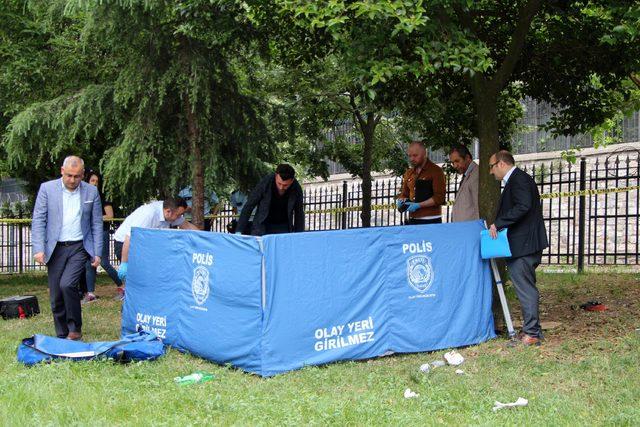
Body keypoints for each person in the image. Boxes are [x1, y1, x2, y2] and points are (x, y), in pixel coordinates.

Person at [31, 156, 103, 340]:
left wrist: (97, 252)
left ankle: (75, 329)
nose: (72, 180)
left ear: (83, 175)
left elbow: (96, 223)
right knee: (56, 294)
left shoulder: (91, 192)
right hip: (55, 248)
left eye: (77, 176)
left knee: (68, 284)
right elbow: (39, 220)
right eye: (69, 175)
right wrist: (38, 248)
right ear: (62, 171)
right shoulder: (47, 189)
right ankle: (62, 334)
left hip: (79, 246)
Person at [488, 150, 549, 346]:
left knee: (525, 288)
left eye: (491, 167)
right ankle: (532, 331)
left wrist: (499, 223)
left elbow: (523, 206)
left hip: (524, 245)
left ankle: (532, 333)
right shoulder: (518, 179)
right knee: (525, 286)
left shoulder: (519, 180)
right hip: (524, 243)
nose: (490, 172)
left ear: (501, 164)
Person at [113, 197, 198, 296]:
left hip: (144, 246)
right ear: (168, 211)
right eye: (178, 215)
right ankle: (131, 302)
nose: (179, 218)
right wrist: (124, 263)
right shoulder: (149, 214)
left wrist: (205, 238)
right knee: (138, 280)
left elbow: (187, 226)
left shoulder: (170, 211)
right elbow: (129, 237)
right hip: (125, 244)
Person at [80, 170, 123, 303]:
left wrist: (94, 217)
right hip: (88, 233)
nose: (95, 184)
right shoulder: (83, 196)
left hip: (101, 232)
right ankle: (91, 293)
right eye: (92, 180)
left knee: (103, 262)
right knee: (89, 263)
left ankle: (122, 286)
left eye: (97, 182)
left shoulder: (103, 197)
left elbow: (109, 215)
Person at [236, 164, 304, 236]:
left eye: (285, 185)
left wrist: (299, 235)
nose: (281, 187)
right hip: (262, 225)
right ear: (276, 176)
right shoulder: (265, 183)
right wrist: (239, 230)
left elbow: (299, 212)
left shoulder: (296, 188)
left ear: (292, 180)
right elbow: (249, 205)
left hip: (283, 226)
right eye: (279, 183)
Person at [397, 141, 446, 224]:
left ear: (424, 154)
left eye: (415, 155)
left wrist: (419, 205)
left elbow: (439, 198)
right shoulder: (409, 173)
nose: (412, 159)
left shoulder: (436, 171)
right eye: (410, 156)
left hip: (431, 219)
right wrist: (401, 201)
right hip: (413, 219)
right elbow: (404, 194)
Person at [449, 144, 479, 222]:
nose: (455, 166)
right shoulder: (467, 174)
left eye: (457, 161)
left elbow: (478, 207)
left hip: (471, 228)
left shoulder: (476, 175)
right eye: (452, 163)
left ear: (467, 158)